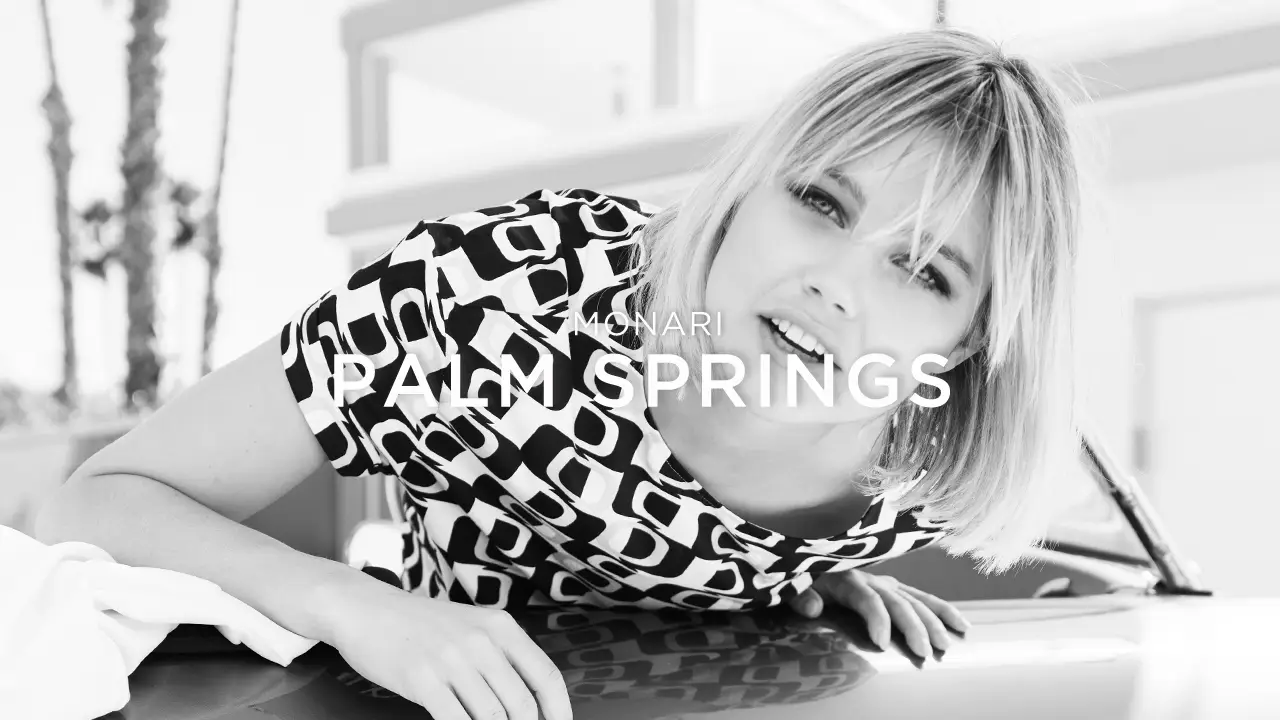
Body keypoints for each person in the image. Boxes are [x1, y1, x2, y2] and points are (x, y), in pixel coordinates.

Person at [36, 28, 1084, 720]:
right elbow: (92, 503)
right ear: (741, 189)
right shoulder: (483, 305)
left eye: (919, 269)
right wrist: (351, 603)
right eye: (818, 201)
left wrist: (782, 575)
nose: (838, 283)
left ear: (961, 345)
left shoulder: (919, 467)